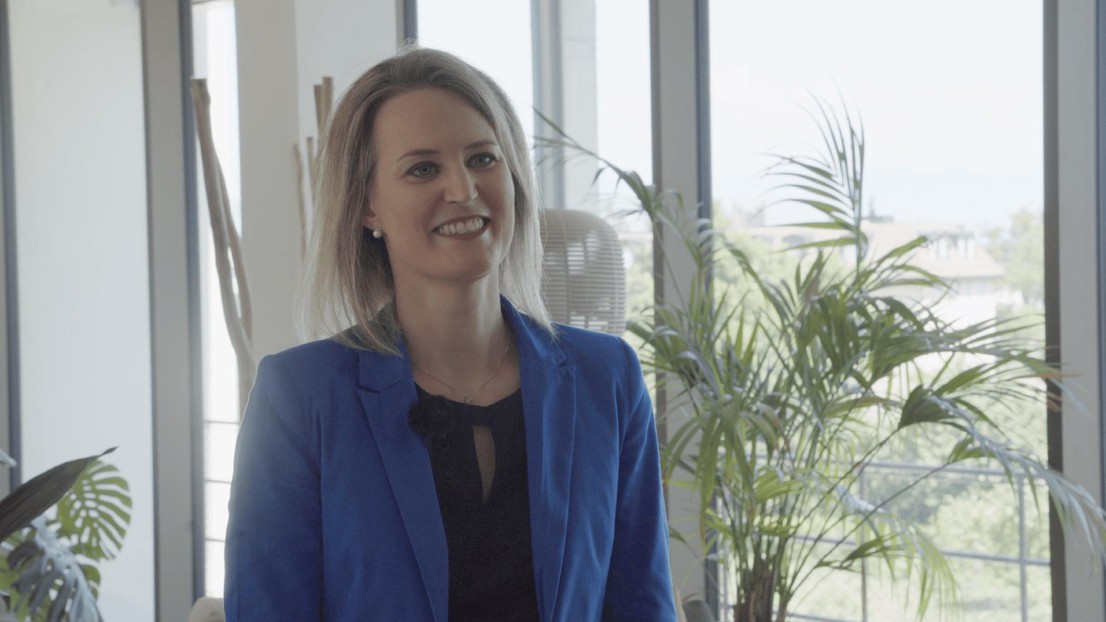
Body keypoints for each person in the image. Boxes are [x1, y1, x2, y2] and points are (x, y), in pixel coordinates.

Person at [223, 46, 677, 622]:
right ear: (367, 207)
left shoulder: (606, 376)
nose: (463, 189)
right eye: (422, 168)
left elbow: (641, 605)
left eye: (483, 158)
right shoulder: (300, 396)